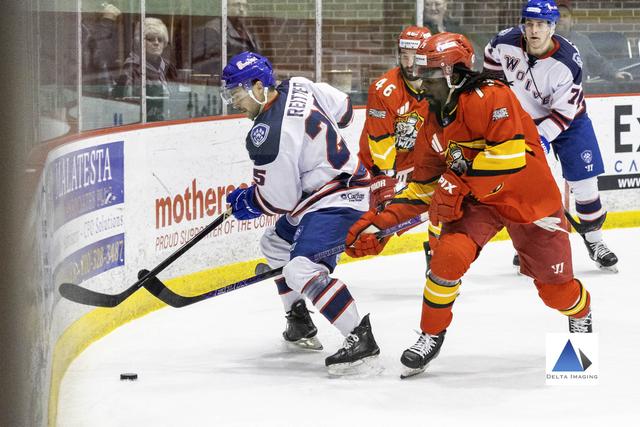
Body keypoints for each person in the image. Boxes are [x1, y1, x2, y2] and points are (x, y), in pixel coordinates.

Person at [345, 32, 593, 379]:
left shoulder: (492, 95)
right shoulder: (431, 119)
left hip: (527, 200)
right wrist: (380, 222)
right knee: (446, 258)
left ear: (453, 73)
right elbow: (424, 187)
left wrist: (455, 182)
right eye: (420, 72)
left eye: (430, 74)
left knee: (555, 293)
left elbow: (508, 158)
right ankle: (431, 334)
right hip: (479, 202)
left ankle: (581, 313)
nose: (421, 81)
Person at [220, 51, 380, 376]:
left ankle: (360, 338)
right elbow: (345, 111)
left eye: (236, 92)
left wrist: (248, 201)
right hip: (326, 192)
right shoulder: (300, 84)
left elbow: (280, 199)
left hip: (340, 197)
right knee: (275, 244)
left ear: (258, 86)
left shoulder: (267, 133)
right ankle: (300, 323)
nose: (234, 102)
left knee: (300, 269)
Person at [483, 0, 618, 272]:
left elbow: (564, 113)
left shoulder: (568, 60)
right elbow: (490, 66)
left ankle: (595, 241)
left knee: (585, 184)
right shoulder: (504, 43)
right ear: (523, 25)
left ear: (552, 28)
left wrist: (541, 140)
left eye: (541, 25)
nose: (534, 30)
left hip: (571, 121)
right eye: (529, 24)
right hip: (523, 122)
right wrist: (499, 103)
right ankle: (527, 245)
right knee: (527, 189)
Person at [357, 25, 439, 270]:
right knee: (365, 233)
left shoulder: (440, 86)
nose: (409, 63)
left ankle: (439, 257)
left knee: (446, 202)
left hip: (418, 167)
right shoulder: (384, 89)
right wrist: (387, 183)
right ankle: (309, 257)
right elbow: (380, 142)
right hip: (376, 169)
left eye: (415, 55)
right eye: (404, 55)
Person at [114, 17, 177, 121]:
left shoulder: (168, 67)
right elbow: (124, 105)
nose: (156, 43)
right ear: (139, 42)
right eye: (150, 39)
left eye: (160, 39)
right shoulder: (132, 69)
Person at [556, 0, 632, 81]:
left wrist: (614, 73)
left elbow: (597, 63)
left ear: (572, 21)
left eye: (565, 16)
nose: (561, 19)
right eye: (558, 15)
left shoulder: (582, 41)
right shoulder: (545, 41)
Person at [192, 0, 261, 76]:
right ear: (226, 7)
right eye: (237, 5)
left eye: (244, 6)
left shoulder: (245, 31)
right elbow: (206, 65)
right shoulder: (213, 29)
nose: (241, 9)